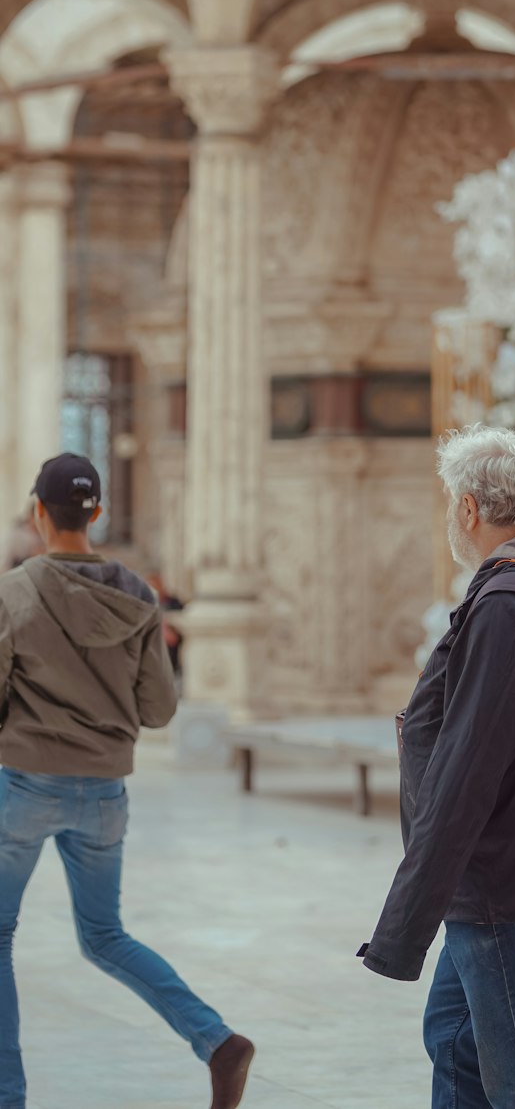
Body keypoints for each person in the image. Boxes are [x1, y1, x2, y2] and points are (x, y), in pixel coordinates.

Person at [360, 423, 515, 1109]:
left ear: (468, 509)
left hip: (510, 887)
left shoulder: (509, 607)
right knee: (455, 1037)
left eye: (452, 503)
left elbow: (465, 771)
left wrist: (403, 925)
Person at [0, 453, 254, 1109]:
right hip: (104, 795)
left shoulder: (14, 591)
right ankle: (216, 1038)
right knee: (105, 936)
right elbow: (159, 709)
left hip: (25, 787)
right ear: (98, 512)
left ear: (37, 512)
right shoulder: (138, 596)